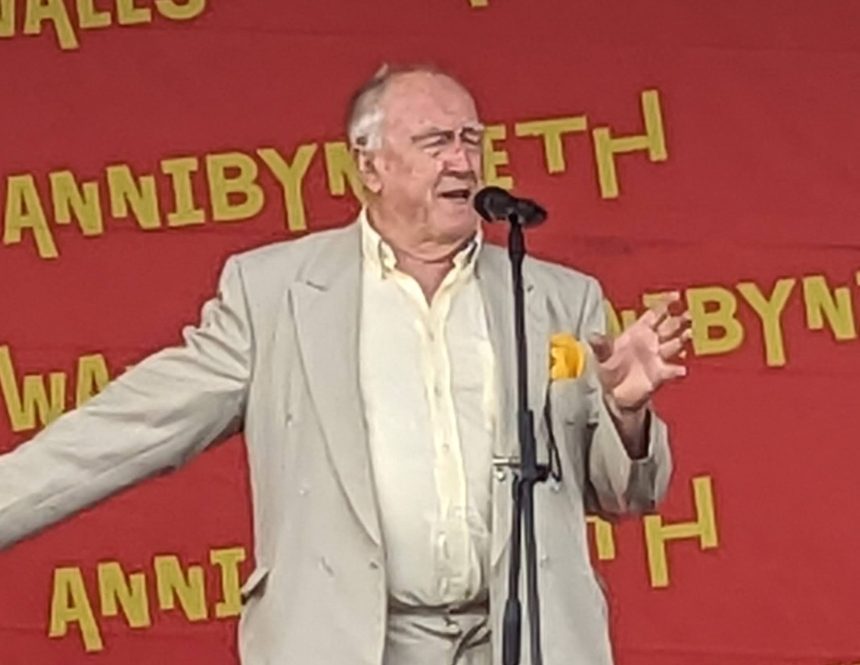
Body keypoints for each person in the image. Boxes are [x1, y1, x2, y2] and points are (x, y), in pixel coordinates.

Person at [0, 64, 688, 665]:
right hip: (350, 641)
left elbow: (626, 493)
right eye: (435, 142)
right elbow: (137, 422)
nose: (462, 161)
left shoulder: (558, 297)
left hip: (527, 642)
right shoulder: (278, 293)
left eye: (471, 139)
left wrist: (627, 413)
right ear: (369, 166)